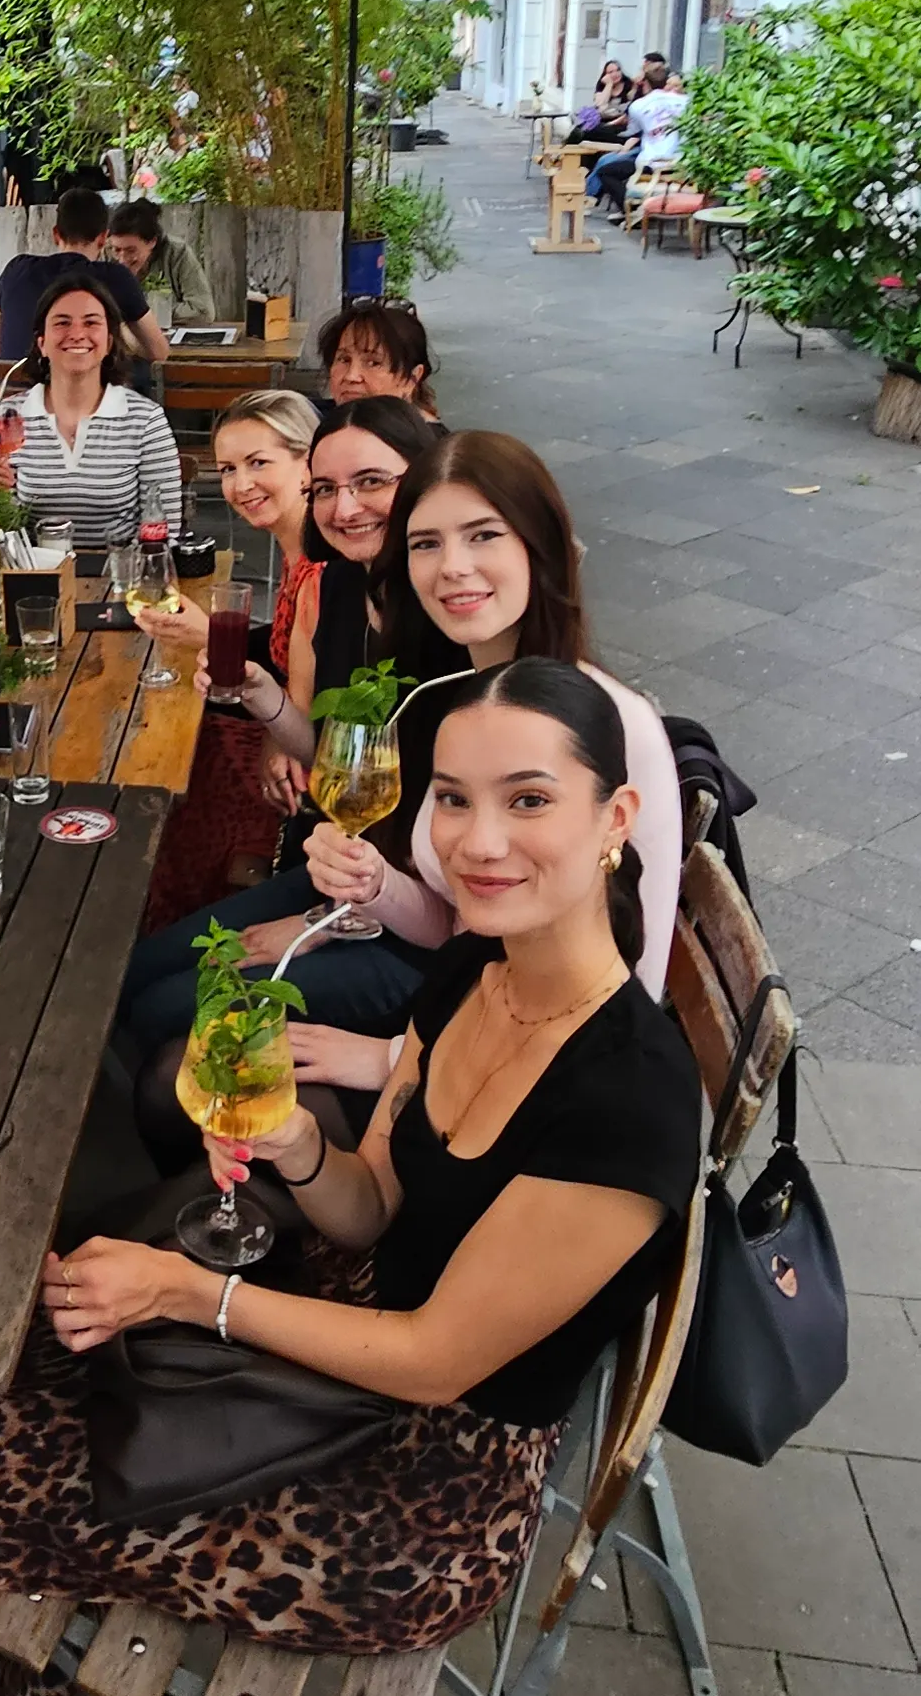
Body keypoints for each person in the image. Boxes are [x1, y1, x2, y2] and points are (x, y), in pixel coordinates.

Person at [0, 659, 701, 1696]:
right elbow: (368, 1217)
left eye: (527, 800)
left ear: (615, 821)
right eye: (450, 801)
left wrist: (191, 1291)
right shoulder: (473, 975)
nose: (477, 840)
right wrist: (295, 1137)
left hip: (422, 1494)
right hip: (343, 1337)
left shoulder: (627, 1100)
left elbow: (436, 1361)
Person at [221, 429, 684, 1125]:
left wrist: (389, 1061)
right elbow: (462, 926)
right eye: (426, 544)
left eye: (483, 536)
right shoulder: (458, 697)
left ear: (540, 545)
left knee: (193, 1076)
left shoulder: (614, 726)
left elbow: (627, 995)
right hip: (458, 1022)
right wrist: (373, 885)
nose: (452, 568)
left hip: (541, 1098)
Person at [121, 398, 465, 1148]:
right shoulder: (339, 586)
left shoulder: (452, 625)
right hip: (338, 877)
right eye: (326, 489)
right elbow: (324, 753)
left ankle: (217, 1193)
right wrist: (260, 691)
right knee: (134, 970)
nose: (345, 508)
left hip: (413, 935)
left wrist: (313, 928)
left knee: (161, 1013)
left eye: (372, 482)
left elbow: (451, 901)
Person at [135, 394, 323, 930]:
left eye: (258, 463)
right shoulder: (297, 551)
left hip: (312, 774)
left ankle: (177, 917)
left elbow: (303, 706)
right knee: (187, 737)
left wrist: (210, 636)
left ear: (308, 462)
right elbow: (288, 667)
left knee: (180, 760)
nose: (241, 485)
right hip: (288, 733)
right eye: (228, 470)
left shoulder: (319, 569)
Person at [9, 275, 183, 552]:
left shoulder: (146, 420)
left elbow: (164, 531)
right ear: (41, 342)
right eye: (62, 323)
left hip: (121, 579)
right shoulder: (9, 416)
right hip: (35, 582)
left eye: (91, 322)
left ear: (109, 342)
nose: (77, 333)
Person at [0, 187, 169, 370]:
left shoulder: (16, 268)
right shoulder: (116, 277)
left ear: (56, 234)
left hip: (15, 393)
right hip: (81, 393)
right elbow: (159, 352)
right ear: (103, 238)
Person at [315, 295, 438, 416]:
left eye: (373, 363)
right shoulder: (310, 422)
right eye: (344, 359)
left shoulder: (426, 435)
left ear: (412, 378)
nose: (351, 376)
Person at [587, 71, 686, 222]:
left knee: (606, 171)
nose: (671, 88)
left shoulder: (639, 105)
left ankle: (630, 210)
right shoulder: (689, 102)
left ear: (646, 84)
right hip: (679, 161)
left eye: (675, 85)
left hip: (652, 162)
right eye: (669, 84)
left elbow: (632, 131)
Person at [105, 198, 213, 328]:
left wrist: (144, 312)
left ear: (152, 242)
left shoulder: (178, 254)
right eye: (117, 250)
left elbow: (203, 311)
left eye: (131, 250)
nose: (122, 259)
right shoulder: (104, 255)